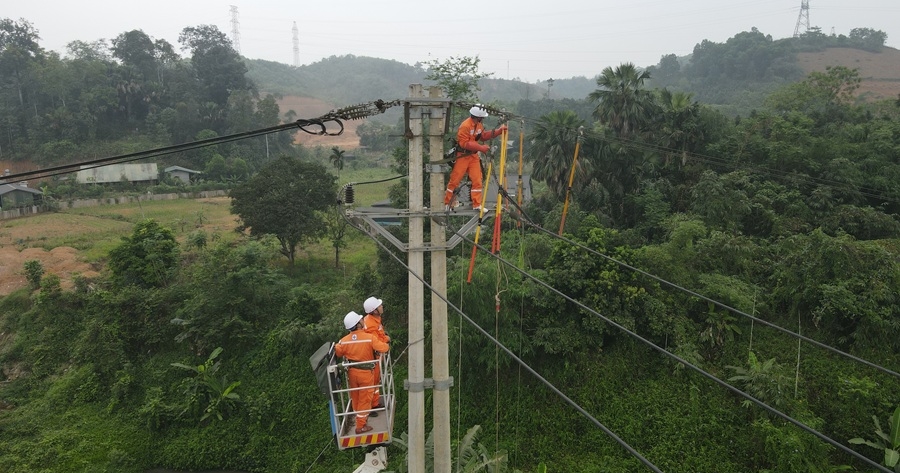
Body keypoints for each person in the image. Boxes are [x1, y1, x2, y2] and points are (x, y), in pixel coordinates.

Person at [443, 105, 507, 211]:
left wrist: (498, 131)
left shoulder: (478, 125)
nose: (483, 119)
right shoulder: (465, 126)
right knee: (455, 180)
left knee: (477, 179)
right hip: (462, 156)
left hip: (473, 156)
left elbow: (483, 136)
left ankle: (477, 204)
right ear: (478, 117)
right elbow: (464, 143)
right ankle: (448, 203)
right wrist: (481, 147)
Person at [334, 311, 389, 434]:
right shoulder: (369, 338)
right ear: (358, 324)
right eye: (361, 320)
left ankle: (358, 415)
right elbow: (384, 348)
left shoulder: (344, 341)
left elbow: (337, 352)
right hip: (366, 373)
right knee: (365, 399)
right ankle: (360, 426)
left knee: (356, 396)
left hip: (352, 373)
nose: (363, 321)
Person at [362, 296, 390, 409]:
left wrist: (384, 337)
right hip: (372, 358)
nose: (381, 306)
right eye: (379, 305)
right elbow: (375, 342)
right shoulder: (370, 324)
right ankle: (371, 406)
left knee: (375, 381)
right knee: (372, 382)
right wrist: (387, 340)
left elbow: (379, 335)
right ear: (374, 310)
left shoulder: (374, 319)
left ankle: (374, 403)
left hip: (375, 357)